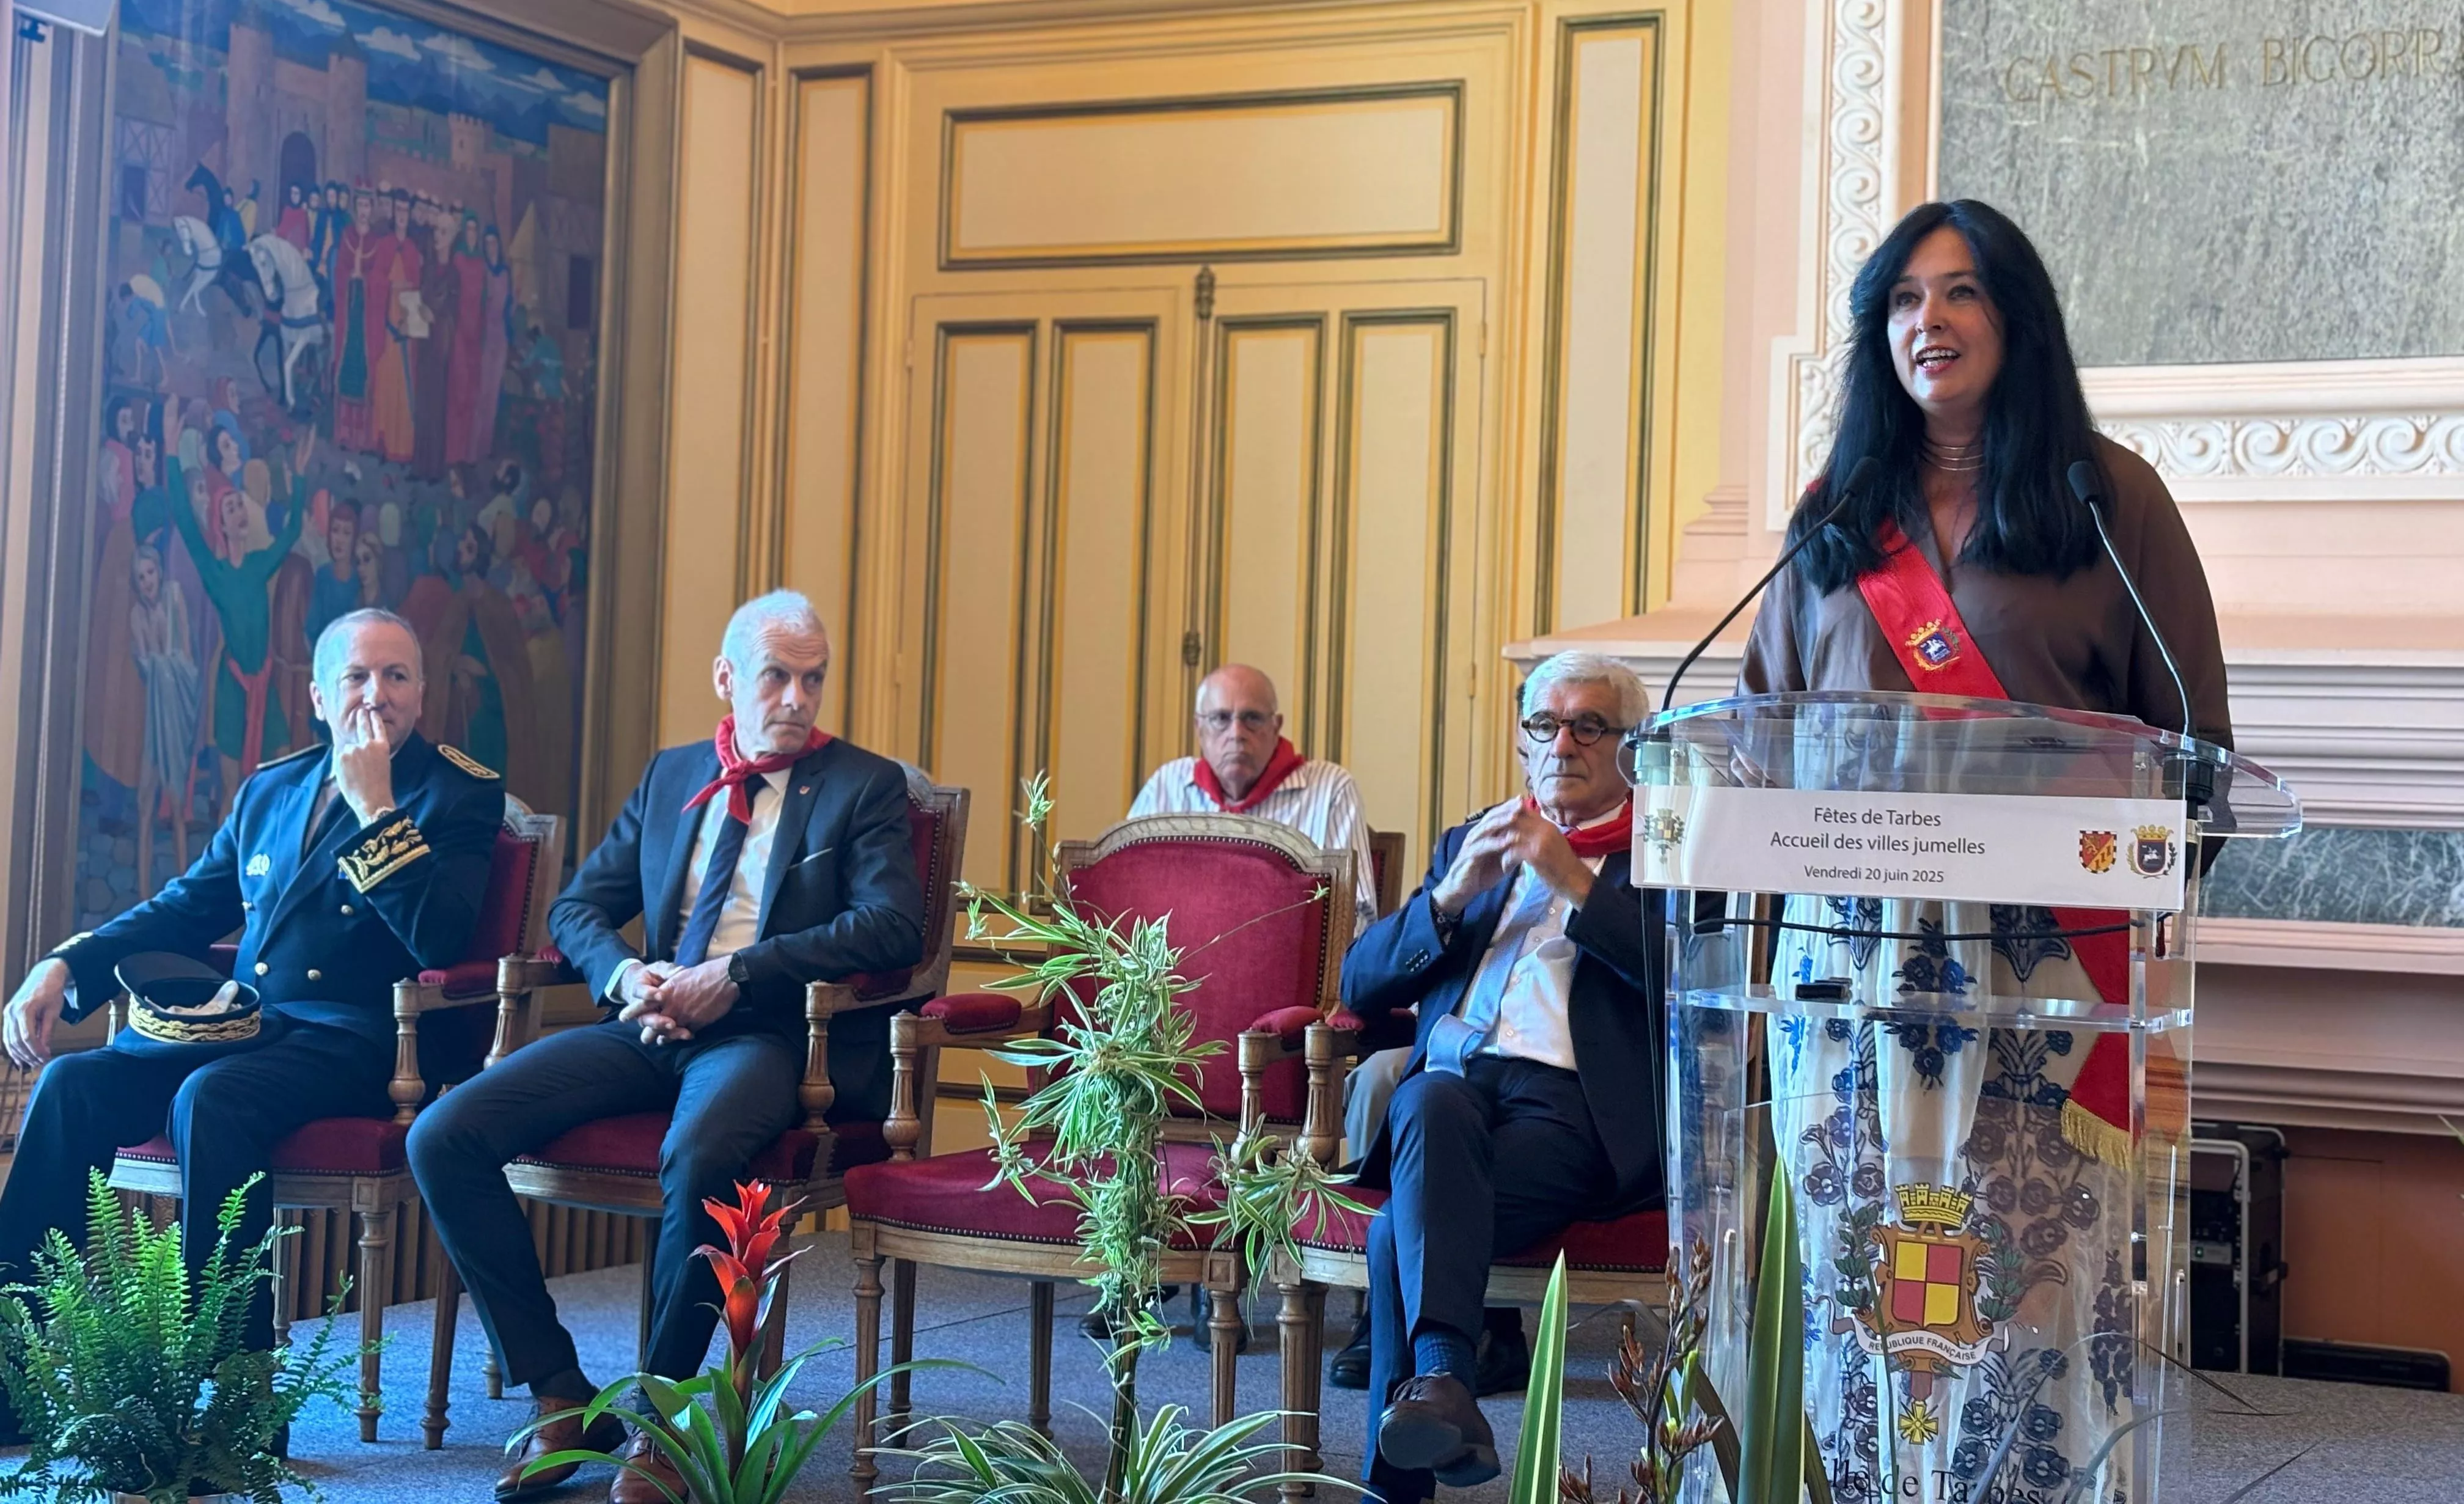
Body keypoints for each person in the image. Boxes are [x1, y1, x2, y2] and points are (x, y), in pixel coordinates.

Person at [1735, 199, 2229, 1504]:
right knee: (1863, 1284)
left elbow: (2197, 754)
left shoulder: (2103, 498)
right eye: (1904, 299)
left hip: (2046, 982)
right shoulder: (1835, 513)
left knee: (2023, 1294)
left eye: (1958, 292)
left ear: (2015, 318)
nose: (1929, 321)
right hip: (1848, 981)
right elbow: (1756, 746)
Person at [407, 590, 926, 1504]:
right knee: (442, 1134)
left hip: (766, 1033)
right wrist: (624, 975)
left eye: (814, 679)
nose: (798, 698)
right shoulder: (672, 773)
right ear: (727, 677)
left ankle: (663, 1419)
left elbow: (891, 925)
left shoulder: (862, 785)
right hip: (646, 1024)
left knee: (701, 1153)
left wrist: (740, 972)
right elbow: (578, 907)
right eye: (777, 676)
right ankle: (561, 1392)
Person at [0, 611, 504, 1427]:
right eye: (357, 676)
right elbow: (183, 909)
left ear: (422, 692)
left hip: (358, 1037)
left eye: (397, 676)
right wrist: (66, 962)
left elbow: (440, 939)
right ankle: (10, 1371)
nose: (377, 694)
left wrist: (377, 809)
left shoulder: (459, 791)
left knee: (214, 1097)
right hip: (248, 1026)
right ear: (319, 696)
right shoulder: (271, 788)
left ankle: (235, 1397)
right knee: (72, 1084)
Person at [1344, 650, 1665, 1504]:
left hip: (1573, 1115)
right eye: (1545, 724)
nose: (1563, 743)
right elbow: (1358, 985)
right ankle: (1446, 1385)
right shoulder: (1474, 841)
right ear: (1523, 741)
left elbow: (1689, 984)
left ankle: (1410, 1455)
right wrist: (1447, 899)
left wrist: (1574, 881)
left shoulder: (1666, 846)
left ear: (1631, 746)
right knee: (1426, 1092)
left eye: (1588, 725)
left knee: (1397, 1233)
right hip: (1453, 1092)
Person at [1129, 664, 1377, 932]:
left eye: (1252, 718)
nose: (1236, 733)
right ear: (1199, 728)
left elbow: (1356, 916)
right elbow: (1124, 888)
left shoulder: (1331, 790)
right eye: (1221, 718)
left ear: (1276, 727)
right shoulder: (1167, 786)